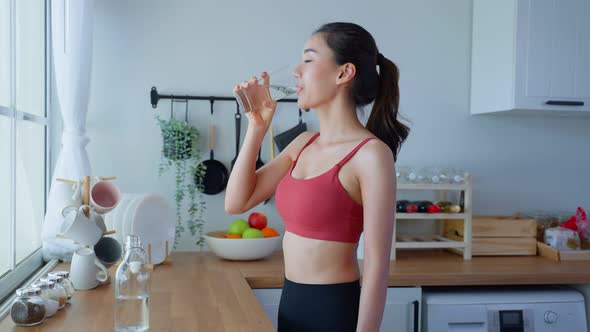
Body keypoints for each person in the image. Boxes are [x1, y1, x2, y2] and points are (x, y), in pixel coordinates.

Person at [226, 22, 410, 332]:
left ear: (343, 73)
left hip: (335, 311)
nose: (297, 71)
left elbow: (377, 267)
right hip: (292, 304)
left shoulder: (371, 155)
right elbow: (237, 202)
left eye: (308, 59)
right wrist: (256, 128)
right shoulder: (302, 144)